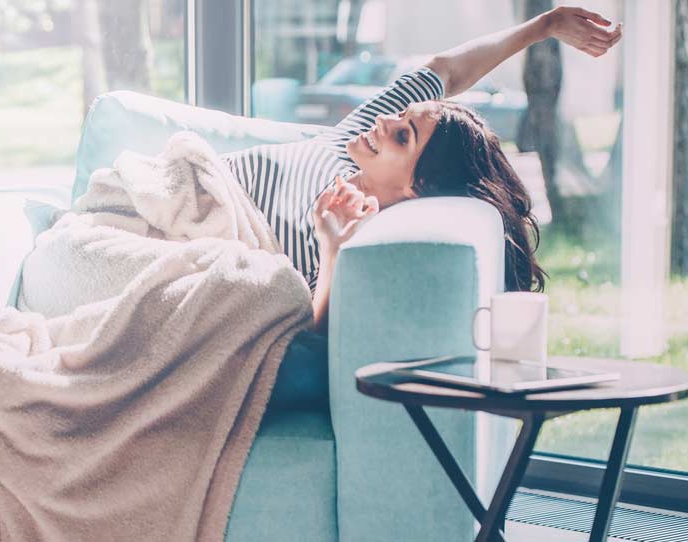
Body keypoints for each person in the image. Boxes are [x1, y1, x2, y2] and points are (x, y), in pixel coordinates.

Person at [220, 6, 623, 332]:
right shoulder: (354, 145)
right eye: (400, 116)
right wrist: (543, 26)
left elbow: (310, 340)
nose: (385, 121)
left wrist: (332, 249)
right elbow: (446, 71)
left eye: (403, 137)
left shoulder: (348, 232)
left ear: (420, 186)